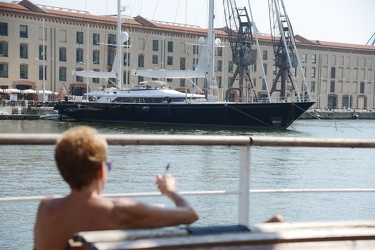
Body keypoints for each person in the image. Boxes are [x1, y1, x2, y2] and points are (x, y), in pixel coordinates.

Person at [33, 126, 199, 250]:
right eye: (109, 165)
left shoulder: (45, 208)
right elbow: (190, 214)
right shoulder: (119, 210)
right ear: (100, 170)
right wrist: (171, 192)